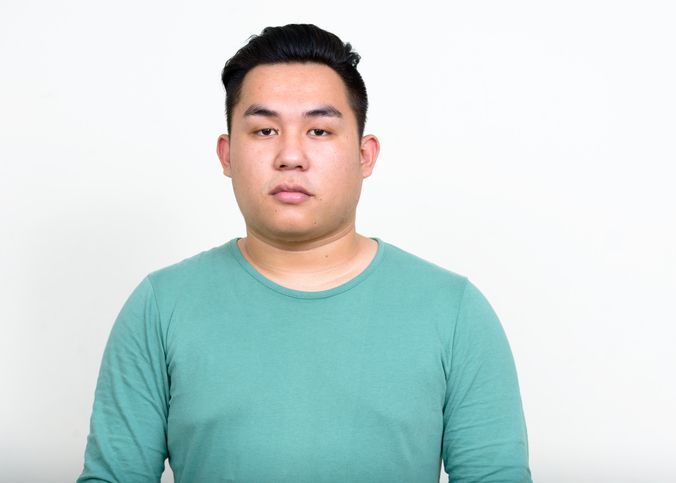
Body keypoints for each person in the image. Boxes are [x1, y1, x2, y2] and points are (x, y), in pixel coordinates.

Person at [77, 23, 532, 483]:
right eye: (265, 130)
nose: (291, 155)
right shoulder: (160, 306)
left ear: (365, 155)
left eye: (319, 130)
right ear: (227, 154)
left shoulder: (454, 312)